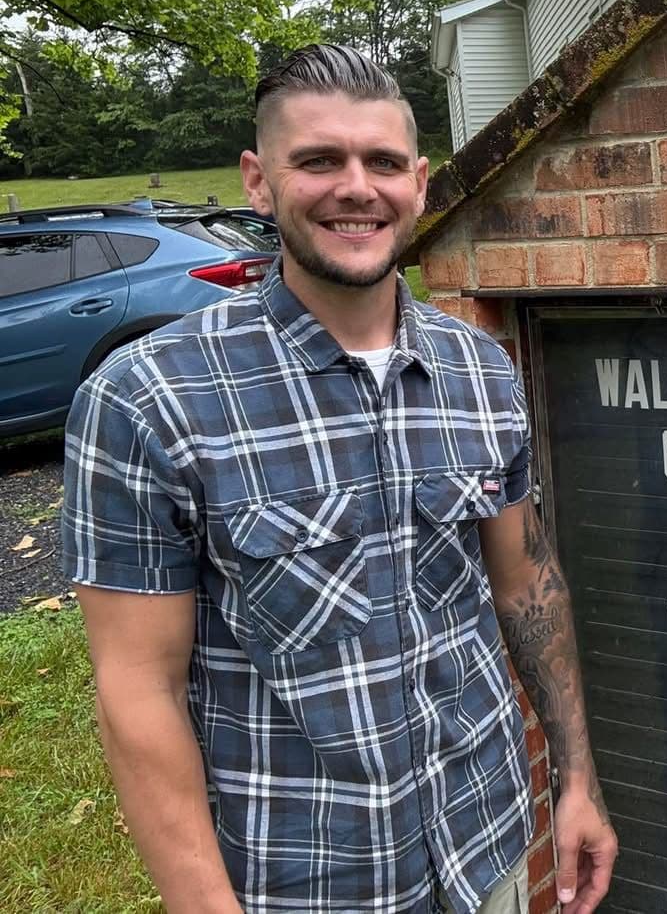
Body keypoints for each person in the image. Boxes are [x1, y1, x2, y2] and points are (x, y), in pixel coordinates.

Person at [62, 45, 616, 914]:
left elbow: (524, 584)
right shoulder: (147, 400)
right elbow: (140, 689)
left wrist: (576, 780)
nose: (356, 187)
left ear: (420, 182)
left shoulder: (481, 372)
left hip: (487, 849)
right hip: (308, 880)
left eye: (383, 162)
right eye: (319, 159)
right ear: (257, 178)